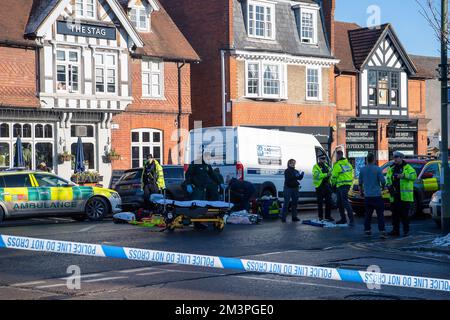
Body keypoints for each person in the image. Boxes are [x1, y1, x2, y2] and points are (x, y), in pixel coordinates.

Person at [385, 151, 417, 237]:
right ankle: (395, 230)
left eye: (396, 157)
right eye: (394, 157)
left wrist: (404, 175)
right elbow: (387, 179)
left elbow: (414, 176)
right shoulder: (391, 168)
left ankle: (406, 231)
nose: (394, 159)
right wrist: (388, 185)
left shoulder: (407, 168)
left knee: (404, 215)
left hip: (404, 196)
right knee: (395, 215)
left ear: (401, 158)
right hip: (394, 195)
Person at [359, 153, 387, 238]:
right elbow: (383, 181)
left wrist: (361, 192)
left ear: (367, 160)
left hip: (368, 196)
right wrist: (382, 187)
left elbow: (360, 183)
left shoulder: (362, 170)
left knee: (368, 215)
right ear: (374, 159)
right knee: (380, 215)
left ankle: (367, 230)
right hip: (377, 196)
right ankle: (382, 231)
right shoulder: (378, 169)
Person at [331, 150, 355, 226]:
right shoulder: (348, 164)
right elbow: (352, 174)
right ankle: (344, 219)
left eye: (336, 156)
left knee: (344, 202)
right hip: (347, 185)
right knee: (340, 203)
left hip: (341, 185)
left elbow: (334, 176)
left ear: (338, 156)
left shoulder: (337, 165)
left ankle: (350, 220)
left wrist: (332, 184)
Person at [313, 155, 334, 222]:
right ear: (319, 159)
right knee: (320, 203)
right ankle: (320, 217)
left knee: (328, 202)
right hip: (320, 186)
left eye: (324, 159)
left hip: (327, 186)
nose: (324, 160)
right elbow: (316, 176)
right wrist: (326, 175)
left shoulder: (327, 166)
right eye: (322, 159)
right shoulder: (316, 166)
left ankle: (328, 216)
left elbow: (331, 173)